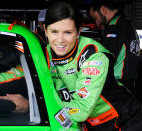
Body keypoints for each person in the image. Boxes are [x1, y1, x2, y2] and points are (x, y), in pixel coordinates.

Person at [44, 1, 142, 130]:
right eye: (54, 32)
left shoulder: (93, 55)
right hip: (91, 124)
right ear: (45, 31)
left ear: (78, 32)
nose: (60, 40)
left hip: (124, 120)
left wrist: (38, 106)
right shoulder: (46, 52)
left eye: (68, 32)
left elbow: (82, 110)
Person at [89, 0, 140, 93]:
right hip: (130, 80)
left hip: (118, 82)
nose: (96, 23)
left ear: (103, 10)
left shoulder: (115, 27)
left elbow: (105, 58)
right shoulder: (127, 24)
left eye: (95, 18)